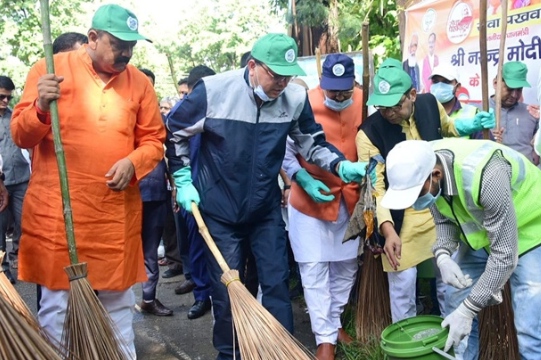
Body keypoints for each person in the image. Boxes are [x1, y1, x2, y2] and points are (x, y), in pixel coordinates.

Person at [165, 33, 369, 360]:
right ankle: (230, 353)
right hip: (217, 210)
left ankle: (280, 351)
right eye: (275, 75)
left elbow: (311, 143)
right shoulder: (215, 91)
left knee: (276, 287)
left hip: (264, 210)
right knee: (227, 290)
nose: (281, 83)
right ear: (253, 66)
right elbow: (174, 129)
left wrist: (341, 166)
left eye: (287, 76)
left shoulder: (294, 98)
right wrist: (182, 177)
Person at [11, 4, 165, 357]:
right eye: (118, 44)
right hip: (60, 217)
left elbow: (155, 141)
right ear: (92, 38)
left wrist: (133, 161)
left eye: (131, 46)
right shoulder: (49, 70)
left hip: (114, 219)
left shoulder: (139, 82)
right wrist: (38, 107)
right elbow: (20, 136)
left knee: (119, 310)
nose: (126, 52)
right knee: (57, 312)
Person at [356, 63, 495, 323]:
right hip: (401, 215)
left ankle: (454, 338)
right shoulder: (368, 133)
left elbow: (448, 129)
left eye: (395, 105)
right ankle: (406, 343)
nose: (388, 113)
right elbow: (377, 188)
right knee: (403, 284)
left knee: (450, 280)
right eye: (382, 107)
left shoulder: (430, 104)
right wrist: (388, 230)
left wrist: (470, 125)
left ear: (412, 95)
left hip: (439, 205)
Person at [381, 139, 541, 360]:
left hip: (532, 229)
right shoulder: (424, 161)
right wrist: (443, 256)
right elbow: (445, 219)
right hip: (485, 234)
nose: (413, 202)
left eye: (416, 194)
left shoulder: (486, 175)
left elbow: (504, 256)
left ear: (436, 175)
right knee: (455, 304)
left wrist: (470, 308)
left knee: (528, 326)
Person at [282, 53, 361, 360]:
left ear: (354, 83)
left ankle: (334, 322)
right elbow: (286, 153)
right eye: (332, 89)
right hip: (309, 199)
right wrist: (300, 178)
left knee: (345, 266)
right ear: (321, 82)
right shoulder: (301, 102)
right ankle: (324, 338)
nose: (338, 96)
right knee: (314, 268)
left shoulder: (365, 101)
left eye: (344, 89)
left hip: (351, 198)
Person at [174, 65, 216, 320]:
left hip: (222, 193)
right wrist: (180, 186)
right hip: (193, 192)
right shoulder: (182, 114)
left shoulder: (223, 109)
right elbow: (173, 155)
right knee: (197, 244)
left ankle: (223, 293)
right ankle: (202, 295)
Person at [137, 68, 173, 317]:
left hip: (156, 191)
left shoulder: (160, 119)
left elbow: (171, 154)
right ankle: (108, 302)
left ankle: (148, 298)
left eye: (148, 86)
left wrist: (175, 185)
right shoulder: (118, 116)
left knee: (150, 250)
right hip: (126, 194)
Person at [0, 76, 24, 284]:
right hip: (1, 183)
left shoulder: (15, 116)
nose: (6, 101)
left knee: (25, 221)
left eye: (8, 97)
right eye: (1, 97)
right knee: (0, 227)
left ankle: (21, 260)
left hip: (22, 178)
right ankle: (3, 269)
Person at [490, 61, 538, 163]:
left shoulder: (531, 113)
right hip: (491, 174)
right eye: (509, 89)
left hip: (527, 176)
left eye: (519, 90)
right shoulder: (479, 111)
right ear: (495, 83)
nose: (514, 95)